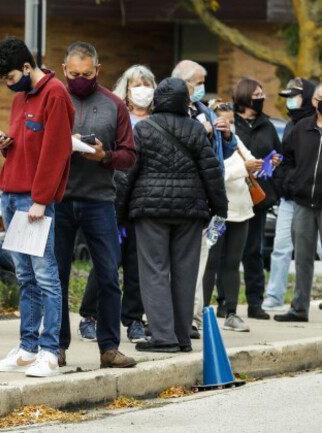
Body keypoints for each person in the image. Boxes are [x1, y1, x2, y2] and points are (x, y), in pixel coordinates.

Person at [0, 36, 74, 377]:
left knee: (46, 276)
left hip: (33, 200)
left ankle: (49, 351)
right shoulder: (22, 95)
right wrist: (7, 146)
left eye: (10, 78)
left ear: (26, 67)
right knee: (25, 276)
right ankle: (26, 348)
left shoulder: (56, 94)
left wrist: (41, 199)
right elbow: (29, 145)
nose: (9, 86)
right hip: (10, 192)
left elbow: (56, 151)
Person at [118, 77, 227, 353]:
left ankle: (163, 337)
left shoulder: (144, 128)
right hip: (190, 211)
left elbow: (128, 174)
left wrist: (120, 213)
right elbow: (211, 171)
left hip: (150, 210)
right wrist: (220, 209)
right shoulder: (195, 130)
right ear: (184, 102)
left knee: (154, 271)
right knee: (185, 273)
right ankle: (182, 337)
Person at [54, 42, 137, 370]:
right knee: (57, 276)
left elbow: (129, 156)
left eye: (87, 74)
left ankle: (109, 348)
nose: (80, 79)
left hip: (100, 201)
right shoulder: (55, 99)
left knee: (107, 275)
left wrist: (104, 157)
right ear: (64, 70)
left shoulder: (115, 105)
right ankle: (57, 347)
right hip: (59, 201)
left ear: (98, 71)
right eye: (74, 74)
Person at [171, 60, 237, 337]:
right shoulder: (169, 110)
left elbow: (227, 151)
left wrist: (226, 134)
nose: (201, 89)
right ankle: (165, 317)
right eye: (198, 83)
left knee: (199, 260)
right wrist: (202, 132)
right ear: (184, 84)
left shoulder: (204, 111)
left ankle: (193, 317)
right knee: (172, 262)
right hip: (179, 198)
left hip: (207, 199)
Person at [203, 100, 264, 332]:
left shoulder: (236, 141)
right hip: (218, 215)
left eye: (231, 122)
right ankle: (203, 312)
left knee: (232, 264)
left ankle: (231, 313)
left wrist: (261, 164)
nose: (228, 126)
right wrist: (244, 168)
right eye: (224, 122)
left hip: (242, 213)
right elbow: (217, 175)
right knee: (210, 262)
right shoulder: (208, 142)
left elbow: (249, 162)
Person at [263, 78, 320, 311]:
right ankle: (276, 297)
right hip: (293, 199)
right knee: (282, 248)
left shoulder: (311, 125)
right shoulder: (291, 126)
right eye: (288, 97)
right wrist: (289, 182)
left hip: (316, 198)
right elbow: (286, 160)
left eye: (295, 96)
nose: (291, 102)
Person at [111, 64, 158, 343]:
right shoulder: (118, 117)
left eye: (146, 84)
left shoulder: (160, 118)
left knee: (137, 266)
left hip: (145, 200)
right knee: (107, 261)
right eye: (135, 85)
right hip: (116, 197)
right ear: (126, 90)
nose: (141, 90)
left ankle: (133, 319)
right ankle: (91, 315)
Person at [233, 77, 282, 320]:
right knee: (226, 253)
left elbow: (279, 154)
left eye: (261, 94)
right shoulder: (230, 123)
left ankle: (255, 303)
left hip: (258, 199)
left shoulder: (268, 125)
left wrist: (276, 161)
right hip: (232, 199)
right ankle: (225, 302)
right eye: (256, 95)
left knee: (254, 251)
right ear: (244, 98)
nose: (261, 99)